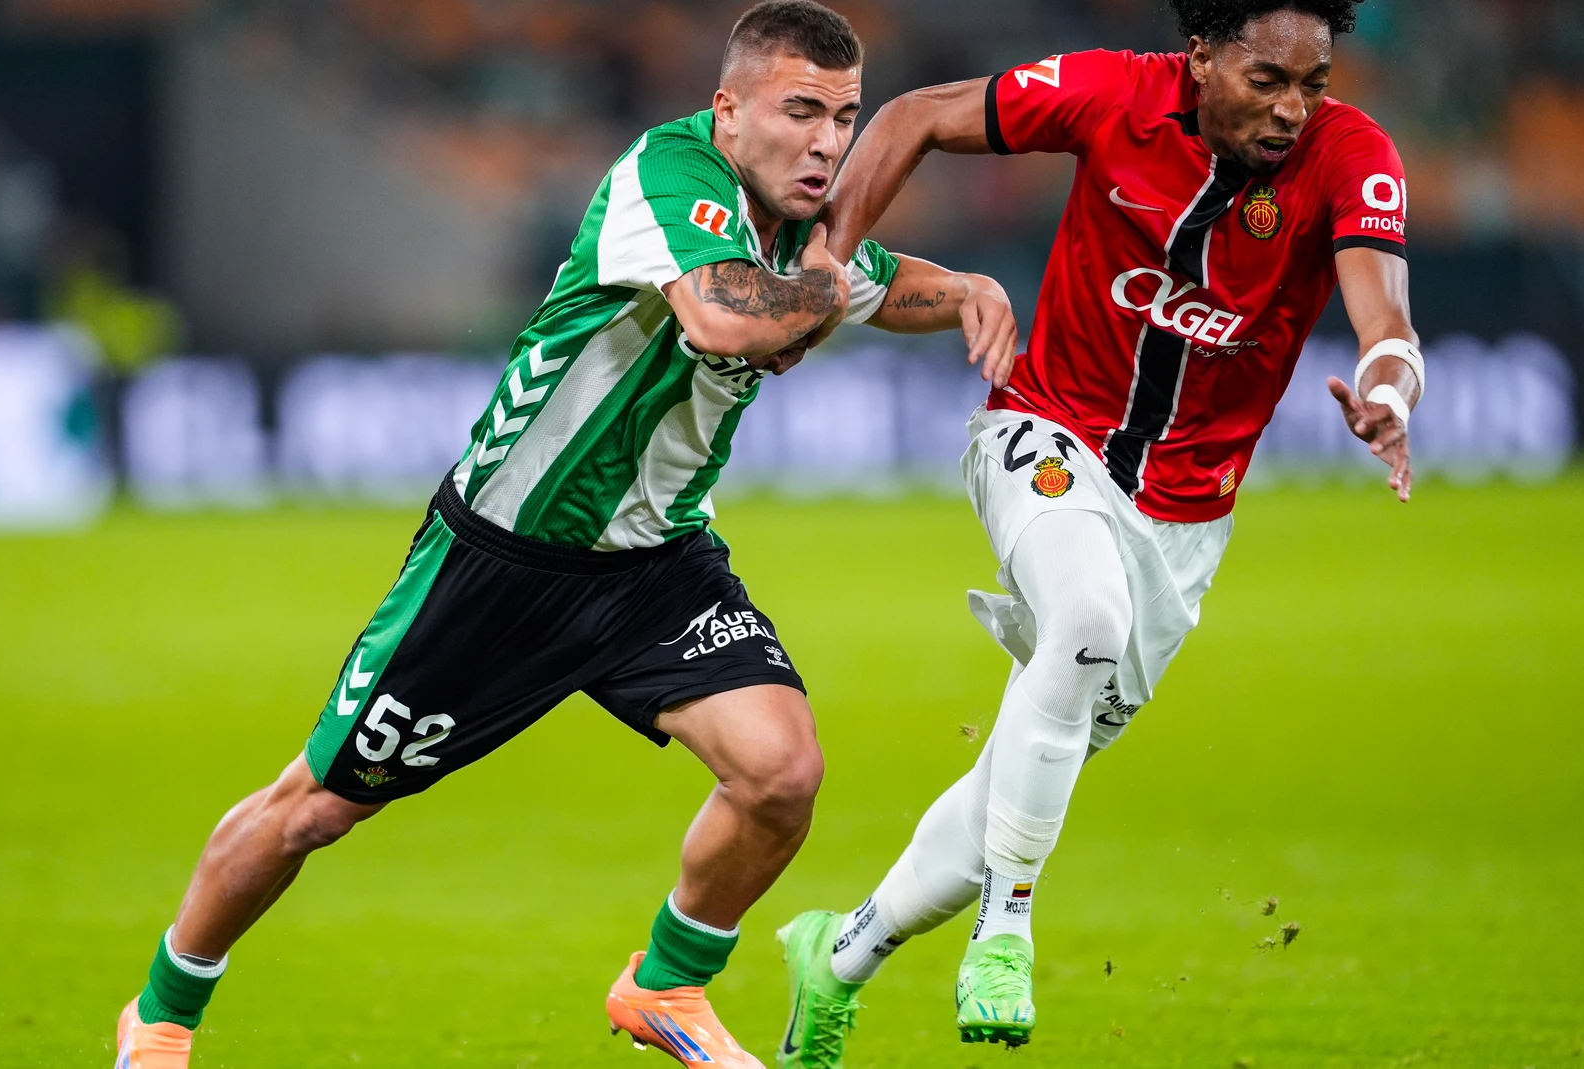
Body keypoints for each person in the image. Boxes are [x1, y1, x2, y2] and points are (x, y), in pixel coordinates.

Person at [108, 4, 1020, 1068]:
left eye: (847, 118)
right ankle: (162, 1014)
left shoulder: (797, 229)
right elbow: (727, 319)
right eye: (801, 112)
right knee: (312, 808)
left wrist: (964, 286)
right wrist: (824, 281)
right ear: (728, 111)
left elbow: (867, 286)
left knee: (780, 772)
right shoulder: (667, 176)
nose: (827, 142)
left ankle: (666, 986)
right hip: (501, 559)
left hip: (654, 566)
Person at [772, 0, 1422, 1062]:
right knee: (1081, 620)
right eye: (1266, 80)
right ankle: (1007, 932)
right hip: (1040, 433)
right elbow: (917, 115)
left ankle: (837, 956)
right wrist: (824, 263)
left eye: (1312, 83)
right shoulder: (1115, 91)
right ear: (1202, 55)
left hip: (1182, 527)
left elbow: (1385, 323)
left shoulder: (1351, 156)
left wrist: (1391, 392)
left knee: (1023, 770)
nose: (1292, 108)